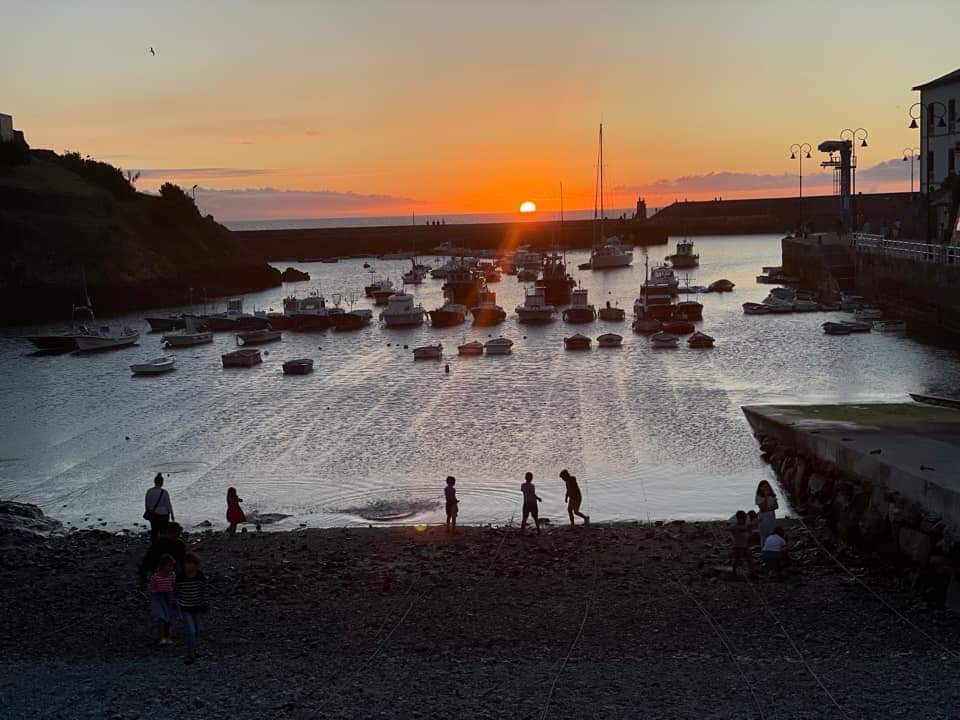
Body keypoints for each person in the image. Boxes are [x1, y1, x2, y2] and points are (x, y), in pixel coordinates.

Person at [177, 553, 208, 664]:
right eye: (186, 563)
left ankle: (194, 650)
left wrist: (204, 603)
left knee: (197, 630)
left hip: (196, 607)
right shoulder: (180, 577)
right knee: (190, 630)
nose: (187, 566)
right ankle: (190, 654)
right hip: (185, 607)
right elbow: (176, 591)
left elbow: (203, 590)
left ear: (195, 565)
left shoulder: (200, 576)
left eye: (190, 563)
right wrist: (175, 604)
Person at [139, 522, 187, 591]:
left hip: (173, 569)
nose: (176, 535)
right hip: (159, 568)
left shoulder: (181, 544)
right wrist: (144, 571)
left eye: (178, 534)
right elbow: (149, 557)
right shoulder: (160, 542)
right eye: (174, 533)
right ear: (168, 533)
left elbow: (182, 560)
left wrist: (184, 574)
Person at [149, 553, 178, 646]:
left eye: (172, 566)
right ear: (162, 566)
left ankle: (168, 636)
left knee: (169, 618)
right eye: (169, 566)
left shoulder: (172, 575)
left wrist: (175, 597)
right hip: (159, 598)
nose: (171, 568)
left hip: (169, 597)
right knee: (162, 618)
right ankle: (162, 637)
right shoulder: (156, 577)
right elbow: (152, 588)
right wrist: (155, 594)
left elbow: (174, 586)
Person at [144, 473, 174, 542]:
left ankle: (154, 547)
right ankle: (162, 547)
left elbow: (147, 504)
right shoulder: (164, 492)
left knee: (154, 531)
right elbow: (168, 505)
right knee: (163, 532)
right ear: (162, 482)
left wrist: (148, 512)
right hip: (164, 515)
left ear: (154, 482)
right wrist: (172, 515)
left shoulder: (149, 491)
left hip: (153, 515)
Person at [730, 510, 754, 580]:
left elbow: (747, 533)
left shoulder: (736, 527)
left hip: (739, 546)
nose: (744, 521)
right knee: (746, 560)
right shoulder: (738, 527)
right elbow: (745, 532)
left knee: (743, 560)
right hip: (741, 546)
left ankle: (751, 573)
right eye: (744, 519)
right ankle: (751, 573)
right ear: (739, 519)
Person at [755, 480, 780, 545]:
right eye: (763, 487)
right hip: (763, 518)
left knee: (772, 533)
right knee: (764, 535)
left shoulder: (772, 495)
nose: (765, 488)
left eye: (767, 486)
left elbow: (776, 506)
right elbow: (763, 509)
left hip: (772, 517)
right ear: (760, 488)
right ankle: (764, 550)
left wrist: (767, 509)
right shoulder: (758, 496)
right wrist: (766, 497)